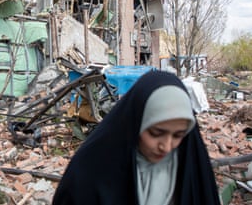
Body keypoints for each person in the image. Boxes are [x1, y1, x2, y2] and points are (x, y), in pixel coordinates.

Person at [52, 70, 221, 205]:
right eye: (156, 133)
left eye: (178, 135)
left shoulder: (191, 168)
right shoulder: (90, 172)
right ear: (136, 122)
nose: (167, 146)